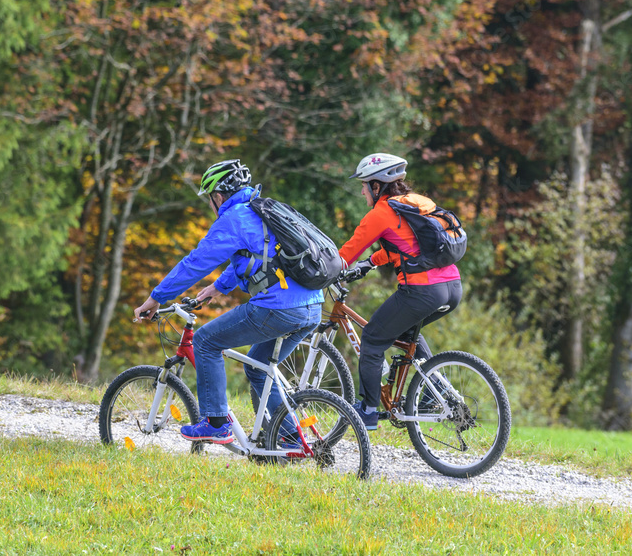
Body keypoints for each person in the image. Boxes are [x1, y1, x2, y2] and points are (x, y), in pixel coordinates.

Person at [134, 159, 324, 444]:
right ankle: (289, 438)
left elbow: (194, 264)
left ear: (218, 196)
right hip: (312, 307)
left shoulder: (233, 219)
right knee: (258, 367)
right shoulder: (264, 211)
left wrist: (155, 298)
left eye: (209, 198)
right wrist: (218, 287)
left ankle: (215, 422)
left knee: (206, 341)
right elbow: (257, 260)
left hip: (277, 309)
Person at [338, 153, 463, 430]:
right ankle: (435, 393)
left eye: (364, 184)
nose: (362, 191)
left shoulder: (380, 214)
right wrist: (371, 262)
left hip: (422, 291)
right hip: (452, 288)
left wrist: (324, 270)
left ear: (377, 186)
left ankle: (368, 412)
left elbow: (346, 253)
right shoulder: (416, 203)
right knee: (408, 335)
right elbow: (407, 246)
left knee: (371, 338)